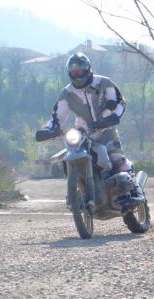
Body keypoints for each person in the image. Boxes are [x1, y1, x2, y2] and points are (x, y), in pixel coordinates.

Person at [35, 52, 144, 206]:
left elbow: (120, 101)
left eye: (79, 71)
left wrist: (114, 116)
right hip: (83, 133)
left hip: (106, 129)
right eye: (73, 72)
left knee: (116, 159)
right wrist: (48, 130)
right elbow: (57, 116)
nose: (77, 74)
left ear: (87, 69)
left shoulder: (103, 82)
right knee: (70, 154)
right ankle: (77, 191)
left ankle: (135, 192)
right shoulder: (67, 93)